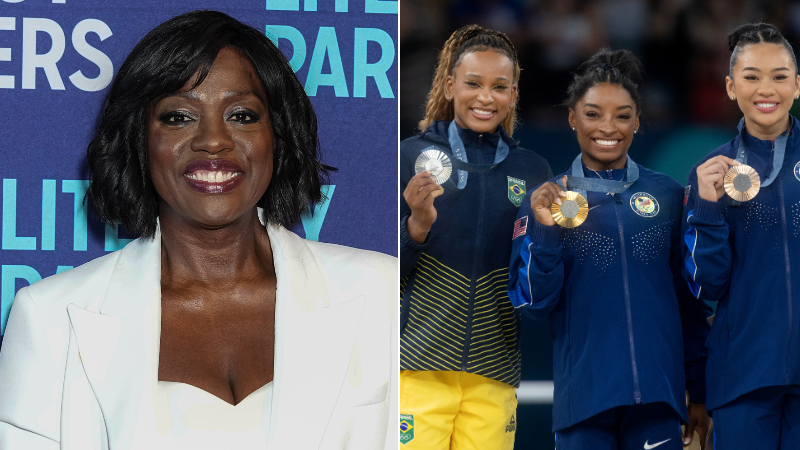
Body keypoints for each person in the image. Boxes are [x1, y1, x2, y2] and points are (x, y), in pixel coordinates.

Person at [0, 11, 397, 450]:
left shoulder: (381, 290)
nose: (213, 140)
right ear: (139, 139)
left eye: (242, 115)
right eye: (178, 117)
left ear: (278, 136)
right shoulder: (51, 317)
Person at [508, 49, 712, 450]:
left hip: (658, 401)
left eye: (622, 115)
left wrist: (700, 389)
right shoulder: (545, 201)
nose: (608, 127)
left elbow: (689, 303)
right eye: (593, 114)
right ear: (572, 118)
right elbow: (533, 303)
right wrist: (545, 230)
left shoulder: (668, 196)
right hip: (583, 404)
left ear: (637, 120)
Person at [399, 24, 551, 450]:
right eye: (473, 83)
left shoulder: (533, 170)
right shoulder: (408, 157)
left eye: (499, 87)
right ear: (450, 86)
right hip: (418, 367)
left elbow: (536, 283)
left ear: (513, 95)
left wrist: (549, 241)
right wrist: (417, 225)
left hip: (494, 374)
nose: (486, 97)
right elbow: (382, 273)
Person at [682, 23, 800, 450]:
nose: (766, 89)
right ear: (731, 87)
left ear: (797, 85)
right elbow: (705, 285)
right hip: (742, 378)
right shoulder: (710, 173)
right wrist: (708, 209)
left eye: (779, 76)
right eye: (751, 77)